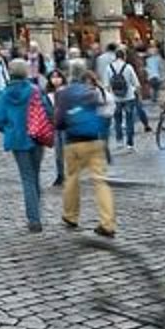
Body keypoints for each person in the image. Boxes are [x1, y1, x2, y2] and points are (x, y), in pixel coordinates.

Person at [53, 61, 114, 237]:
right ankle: (107, 222)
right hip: (95, 140)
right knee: (100, 182)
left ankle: (71, 215)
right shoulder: (91, 92)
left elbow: (59, 121)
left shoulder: (64, 94)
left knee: (72, 178)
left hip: (74, 142)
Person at [0, 59, 45, 232]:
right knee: (35, 175)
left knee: (27, 177)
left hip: (17, 138)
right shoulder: (34, 90)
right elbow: (46, 111)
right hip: (36, 135)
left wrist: (7, 128)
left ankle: (34, 218)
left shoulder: (5, 94)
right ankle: (37, 213)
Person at [103, 48, 142, 150]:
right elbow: (136, 83)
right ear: (124, 56)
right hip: (129, 96)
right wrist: (139, 95)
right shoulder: (128, 67)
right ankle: (130, 143)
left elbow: (106, 85)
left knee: (117, 120)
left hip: (115, 98)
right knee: (129, 120)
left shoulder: (108, 68)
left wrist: (108, 97)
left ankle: (119, 141)